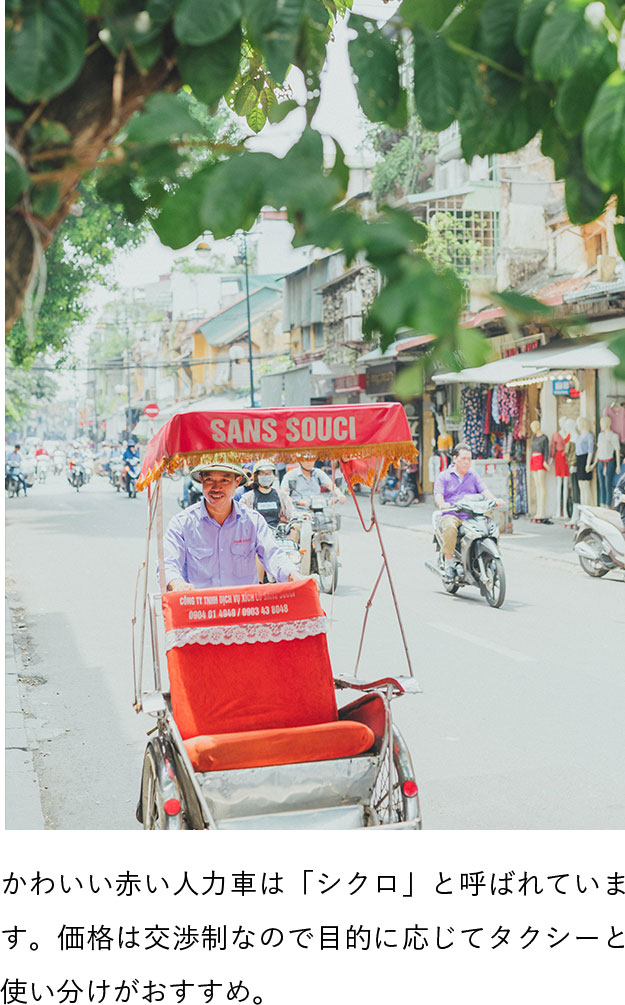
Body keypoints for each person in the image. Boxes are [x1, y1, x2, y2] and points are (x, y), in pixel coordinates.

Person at [163, 461, 305, 591]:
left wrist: (293, 574)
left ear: (237, 482)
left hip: (245, 611)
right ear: (201, 480)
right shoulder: (181, 524)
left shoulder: (253, 521)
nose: (216, 487)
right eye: (209, 480)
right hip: (201, 611)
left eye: (224, 480)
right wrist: (177, 583)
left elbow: (274, 555)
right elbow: (168, 564)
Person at [433, 442, 504, 584]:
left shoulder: (473, 476)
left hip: (472, 514)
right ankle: (449, 563)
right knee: (450, 528)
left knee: (489, 527)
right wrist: (442, 504)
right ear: (454, 458)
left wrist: (495, 500)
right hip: (452, 514)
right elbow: (438, 494)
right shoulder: (444, 476)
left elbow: (484, 490)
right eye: (463, 458)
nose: (466, 462)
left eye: (469, 459)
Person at [241, 460, 295, 530]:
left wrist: (301, 517)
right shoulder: (247, 498)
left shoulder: (281, 496)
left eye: (269, 473)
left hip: (278, 534)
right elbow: (240, 516)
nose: (266, 476)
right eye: (263, 473)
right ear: (256, 476)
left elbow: (292, 513)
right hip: (256, 534)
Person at [281, 457, 347, 505]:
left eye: (311, 459)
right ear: (300, 461)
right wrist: (288, 499)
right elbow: (283, 492)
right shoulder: (291, 475)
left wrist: (340, 494)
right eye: (306, 460)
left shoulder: (318, 473)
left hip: (318, 508)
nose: (309, 463)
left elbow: (331, 485)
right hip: (298, 511)